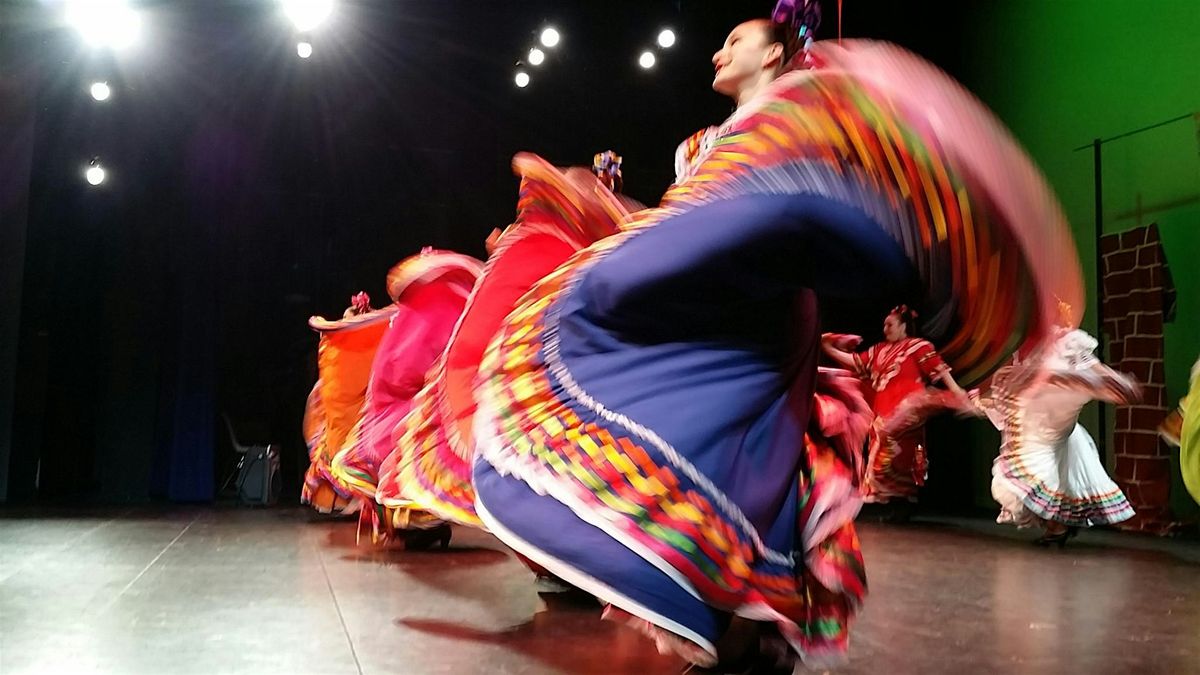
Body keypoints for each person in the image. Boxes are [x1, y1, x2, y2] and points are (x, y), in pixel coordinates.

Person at [468, 3, 1082, 671]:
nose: (715, 54)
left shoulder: (806, 110)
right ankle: (727, 618)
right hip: (722, 298)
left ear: (772, 54)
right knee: (715, 447)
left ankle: (738, 620)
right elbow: (690, 230)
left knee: (757, 460)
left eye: (734, 41)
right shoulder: (701, 145)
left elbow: (802, 206)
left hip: (772, 302)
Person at [326, 249, 482, 543]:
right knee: (408, 455)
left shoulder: (415, 320)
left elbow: (397, 372)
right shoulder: (413, 321)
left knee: (409, 455)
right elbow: (397, 373)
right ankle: (414, 520)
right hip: (407, 410)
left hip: (411, 410)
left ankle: (414, 520)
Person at [973, 327, 1139, 545]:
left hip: (1056, 408)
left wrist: (1114, 380)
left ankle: (1057, 525)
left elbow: (1093, 367)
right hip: (1039, 408)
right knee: (1035, 474)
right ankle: (1057, 525)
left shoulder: (1067, 341)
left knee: (1033, 470)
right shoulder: (1023, 344)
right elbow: (1011, 380)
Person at [821, 305, 966, 513]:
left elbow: (939, 368)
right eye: (884, 325)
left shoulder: (918, 346)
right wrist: (828, 348)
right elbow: (855, 362)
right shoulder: (878, 350)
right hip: (883, 412)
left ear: (903, 325)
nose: (885, 329)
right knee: (890, 453)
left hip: (909, 407)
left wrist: (956, 390)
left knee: (889, 443)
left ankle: (899, 502)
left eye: (890, 324)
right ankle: (899, 503)